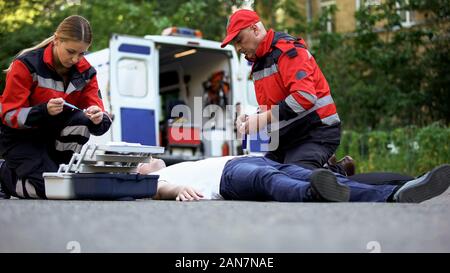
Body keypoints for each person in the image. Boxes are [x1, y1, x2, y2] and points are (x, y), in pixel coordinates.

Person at [221, 9, 351, 175]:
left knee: (293, 178)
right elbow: (273, 107)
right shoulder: (259, 63)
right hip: (286, 139)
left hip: (315, 133)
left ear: (255, 29)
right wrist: (251, 118)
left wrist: (261, 119)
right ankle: (327, 167)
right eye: (234, 44)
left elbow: (304, 97)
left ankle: (338, 170)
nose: (238, 47)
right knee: (260, 177)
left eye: (239, 40)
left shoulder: (288, 51)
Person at [0, 15, 111, 199]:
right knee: (51, 190)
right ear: (57, 40)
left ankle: (59, 171)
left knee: (83, 121)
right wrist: (43, 110)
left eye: (82, 53)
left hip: (53, 138)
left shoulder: (87, 72)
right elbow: (9, 115)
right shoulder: (26, 64)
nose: (76, 59)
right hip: (20, 139)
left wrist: (99, 118)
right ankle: (4, 175)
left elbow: (100, 117)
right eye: (71, 51)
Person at [137, 156, 450, 203]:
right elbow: (159, 190)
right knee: (266, 179)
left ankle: (395, 193)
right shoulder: (154, 179)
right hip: (229, 177)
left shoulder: (175, 162)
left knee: (314, 174)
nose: (146, 160)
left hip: (245, 159)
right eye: (140, 163)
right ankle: (312, 195)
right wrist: (177, 189)